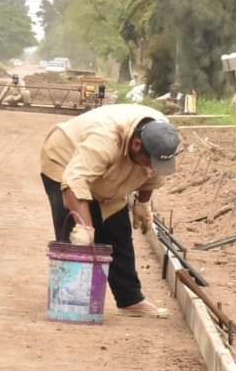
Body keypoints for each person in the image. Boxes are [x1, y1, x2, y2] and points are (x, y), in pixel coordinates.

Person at [41, 104, 180, 319]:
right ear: (136, 144)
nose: (152, 168)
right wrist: (85, 227)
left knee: (118, 230)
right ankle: (71, 299)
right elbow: (74, 180)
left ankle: (130, 300)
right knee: (76, 234)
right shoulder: (105, 139)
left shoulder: (162, 139)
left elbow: (153, 175)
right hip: (64, 158)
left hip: (108, 167)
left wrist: (143, 204)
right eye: (149, 162)